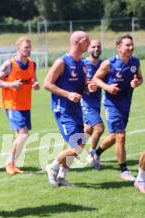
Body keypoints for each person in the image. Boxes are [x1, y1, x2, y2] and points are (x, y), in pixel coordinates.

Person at [92, 34, 143, 181]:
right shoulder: (109, 63)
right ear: (119, 47)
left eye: (132, 45)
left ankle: (96, 153)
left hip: (126, 103)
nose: (131, 47)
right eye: (127, 45)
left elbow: (140, 78)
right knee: (121, 135)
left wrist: (136, 83)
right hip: (111, 104)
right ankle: (124, 170)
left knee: (116, 136)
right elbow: (95, 79)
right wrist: (107, 87)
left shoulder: (135, 62)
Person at [43, 31, 90, 187]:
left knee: (80, 145)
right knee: (76, 147)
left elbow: (82, 87)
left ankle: (62, 176)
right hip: (63, 110)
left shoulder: (83, 64)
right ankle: (52, 167)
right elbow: (47, 84)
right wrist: (68, 94)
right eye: (86, 40)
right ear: (76, 42)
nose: (89, 43)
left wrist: (89, 87)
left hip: (76, 110)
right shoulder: (62, 62)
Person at [0, 36, 40, 175]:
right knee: (23, 135)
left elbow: (34, 82)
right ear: (18, 48)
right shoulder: (9, 64)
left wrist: (35, 85)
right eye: (26, 47)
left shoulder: (32, 64)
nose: (28, 50)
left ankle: (13, 164)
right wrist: (11, 84)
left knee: (20, 135)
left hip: (26, 105)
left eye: (30, 47)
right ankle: (10, 163)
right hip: (12, 104)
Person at [82, 40, 104, 170]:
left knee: (87, 131)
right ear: (88, 49)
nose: (96, 49)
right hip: (85, 103)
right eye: (93, 46)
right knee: (99, 129)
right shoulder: (83, 64)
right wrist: (86, 87)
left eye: (98, 46)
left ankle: (68, 157)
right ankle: (92, 154)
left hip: (96, 102)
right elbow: (76, 84)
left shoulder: (103, 65)